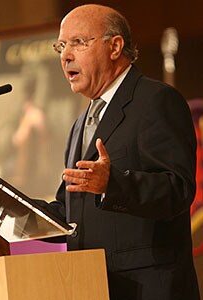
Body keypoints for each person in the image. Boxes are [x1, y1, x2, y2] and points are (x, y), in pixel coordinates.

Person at [34, 4, 200, 299]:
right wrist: (9, 211)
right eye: (61, 45)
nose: (65, 55)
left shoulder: (156, 100)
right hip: (92, 286)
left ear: (115, 46)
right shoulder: (80, 123)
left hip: (147, 289)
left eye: (78, 42)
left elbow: (178, 189)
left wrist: (113, 184)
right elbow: (69, 210)